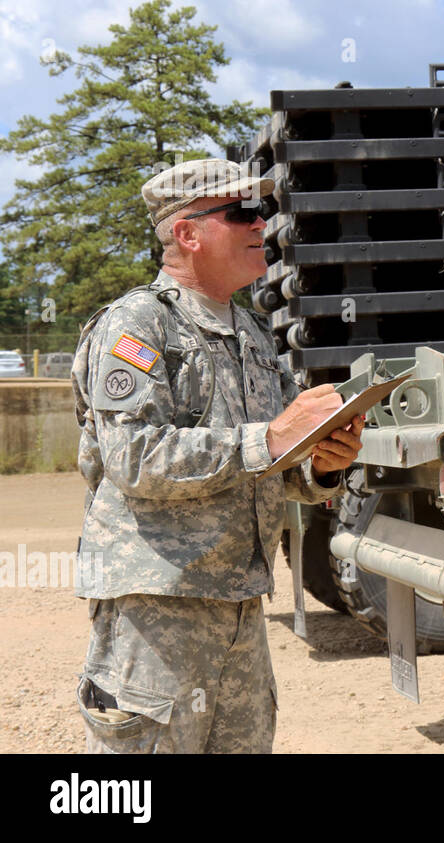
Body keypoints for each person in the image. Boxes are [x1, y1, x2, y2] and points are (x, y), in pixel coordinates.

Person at [70, 158, 363, 753]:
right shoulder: (139, 324)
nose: (263, 224)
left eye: (264, 210)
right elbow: (135, 457)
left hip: (238, 600)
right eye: (243, 213)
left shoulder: (252, 334)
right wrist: (274, 439)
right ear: (187, 233)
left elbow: (277, 464)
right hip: (159, 605)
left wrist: (322, 461)